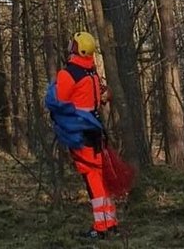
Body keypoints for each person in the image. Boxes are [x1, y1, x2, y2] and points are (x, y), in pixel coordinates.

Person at [45, 32, 118, 239]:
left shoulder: (69, 74)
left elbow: (57, 100)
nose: (70, 46)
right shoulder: (92, 74)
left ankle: (101, 228)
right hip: (96, 132)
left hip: (80, 134)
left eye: (73, 44)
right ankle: (110, 222)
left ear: (78, 49)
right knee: (101, 178)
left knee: (92, 179)